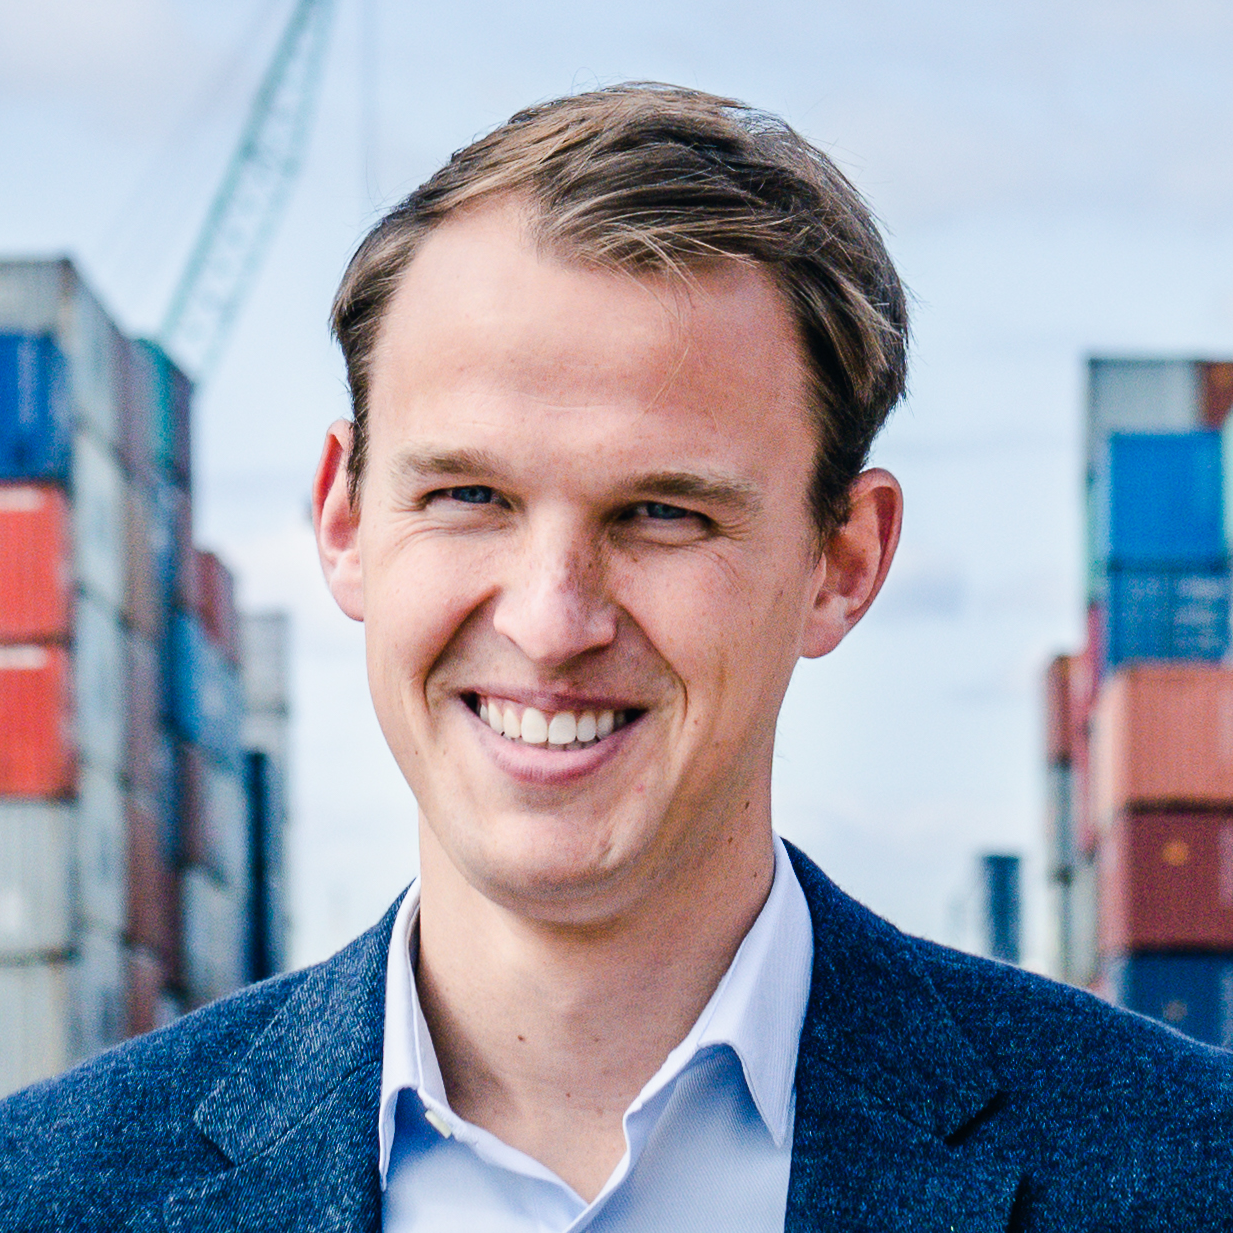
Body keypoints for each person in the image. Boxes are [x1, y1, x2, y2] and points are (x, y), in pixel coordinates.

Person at [2, 83, 1231, 1232]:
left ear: (844, 561)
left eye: (662, 514)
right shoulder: (43, 1191)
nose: (552, 622)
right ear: (343, 519)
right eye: (469, 495)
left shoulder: (1191, 1173)